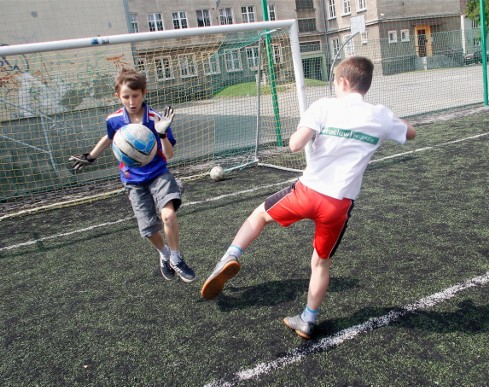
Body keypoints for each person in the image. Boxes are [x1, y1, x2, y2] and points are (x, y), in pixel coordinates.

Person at [200, 56, 417, 339]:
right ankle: (307, 319)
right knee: (320, 263)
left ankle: (230, 256)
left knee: (260, 215)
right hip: (338, 205)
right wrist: (388, 119)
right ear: (365, 85)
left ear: (342, 82)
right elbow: (411, 133)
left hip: (308, 192)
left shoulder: (324, 106)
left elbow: (294, 145)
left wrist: (308, 134)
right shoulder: (380, 115)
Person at [69, 67, 196, 282]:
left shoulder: (156, 118)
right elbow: (110, 138)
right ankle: (164, 254)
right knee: (147, 228)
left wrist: (162, 133)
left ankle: (176, 257)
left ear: (144, 93)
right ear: (117, 96)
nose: (131, 101)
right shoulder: (114, 120)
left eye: (135, 96)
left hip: (158, 174)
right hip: (133, 180)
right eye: (125, 96)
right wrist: (91, 157)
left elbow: (170, 154)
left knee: (168, 215)